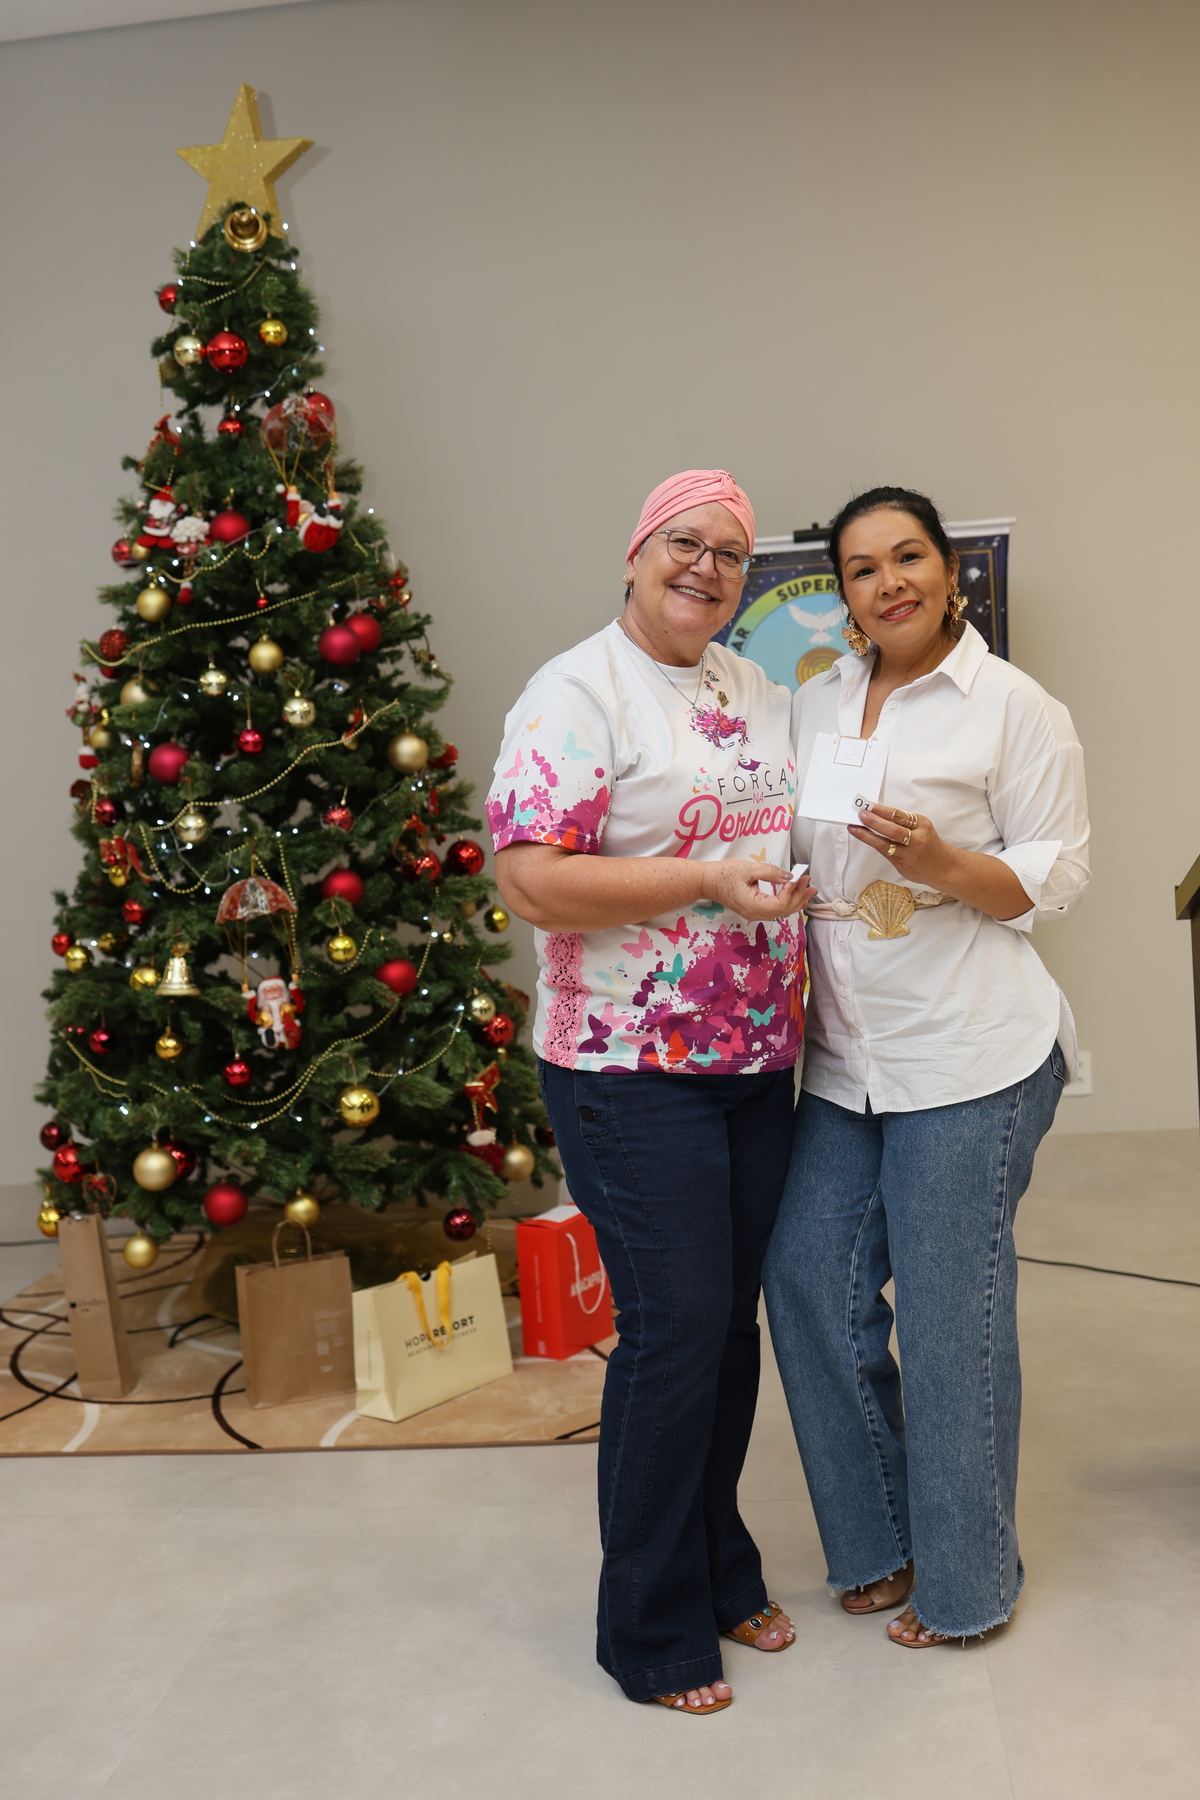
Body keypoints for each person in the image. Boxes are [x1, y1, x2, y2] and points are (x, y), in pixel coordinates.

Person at [487, 470, 816, 1714]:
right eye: (685, 542)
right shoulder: (578, 692)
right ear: (635, 554)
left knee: (725, 1331)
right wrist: (705, 878)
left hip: (754, 1064)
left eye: (731, 553)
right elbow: (530, 879)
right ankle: (649, 1624)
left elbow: (799, 830)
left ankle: (720, 1569)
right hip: (628, 1070)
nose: (706, 568)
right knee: (674, 1333)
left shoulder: (754, 690)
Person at [763, 486, 1089, 1647]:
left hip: (971, 1050)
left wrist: (943, 860)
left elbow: (1052, 880)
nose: (888, 581)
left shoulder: (1015, 709)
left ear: (952, 573)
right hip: (847, 1056)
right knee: (807, 1280)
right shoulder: (816, 703)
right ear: (842, 594)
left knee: (952, 1323)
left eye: (909, 557)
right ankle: (879, 1540)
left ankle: (968, 1583)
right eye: (862, 568)